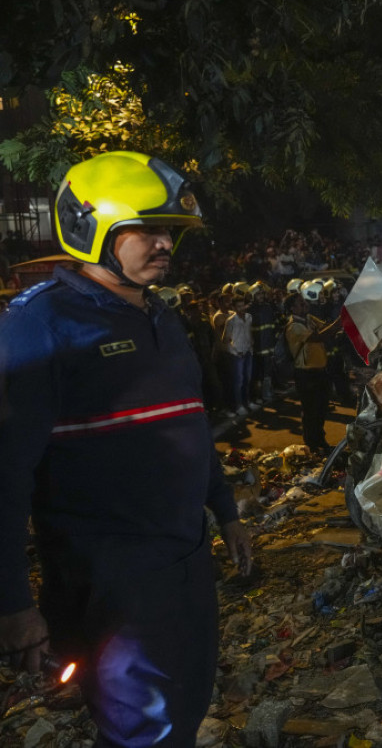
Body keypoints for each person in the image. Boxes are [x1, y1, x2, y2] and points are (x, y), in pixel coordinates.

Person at [0, 151, 252, 747]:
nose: (165, 244)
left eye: (170, 231)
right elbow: (5, 475)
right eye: (147, 228)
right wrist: (13, 603)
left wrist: (227, 512)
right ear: (90, 228)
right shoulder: (39, 327)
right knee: (144, 732)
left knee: (184, 711)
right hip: (111, 579)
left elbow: (190, 424)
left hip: (186, 561)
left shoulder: (161, 317)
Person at [284, 291, 342, 453]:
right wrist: (339, 323)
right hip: (305, 374)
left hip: (320, 371)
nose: (306, 305)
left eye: (304, 302)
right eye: (301, 303)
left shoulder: (309, 319)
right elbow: (318, 337)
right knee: (311, 410)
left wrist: (338, 326)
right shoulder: (293, 326)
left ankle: (319, 440)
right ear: (292, 308)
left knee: (321, 408)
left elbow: (325, 328)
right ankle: (312, 444)